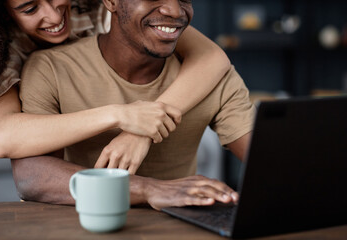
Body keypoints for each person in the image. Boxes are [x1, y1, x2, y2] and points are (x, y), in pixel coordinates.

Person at [13, 0, 255, 210]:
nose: (174, 10)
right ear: (110, 2)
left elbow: (273, 161)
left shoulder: (213, 76)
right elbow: (31, 177)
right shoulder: (50, 68)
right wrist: (149, 190)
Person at [0, 0, 230, 173]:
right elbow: (3, 137)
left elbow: (211, 58)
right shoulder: (3, 48)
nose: (53, 16)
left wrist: (141, 129)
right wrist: (118, 115)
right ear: (4, 12)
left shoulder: (99, 6)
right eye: (30, 9)